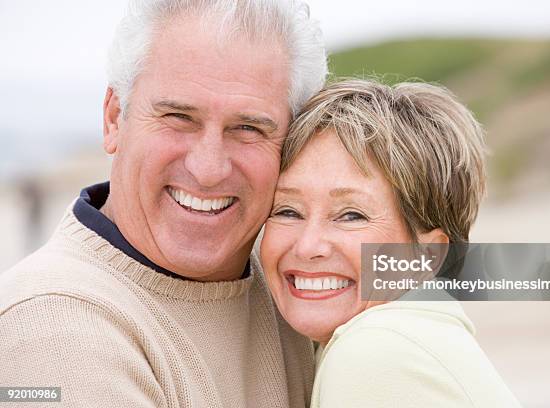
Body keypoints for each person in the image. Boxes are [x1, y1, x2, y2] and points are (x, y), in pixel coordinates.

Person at [0, 1, 327, 406]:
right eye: (178, 117)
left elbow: (424, 276)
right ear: (115, 119)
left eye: (248, 128)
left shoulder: (293, 266)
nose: (208, 169)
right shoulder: (52, 330)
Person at [261, 79, 523, 407]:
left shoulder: (375, 351)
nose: (307, 246)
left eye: (351, 215)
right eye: (287, 210)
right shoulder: (420, 335)